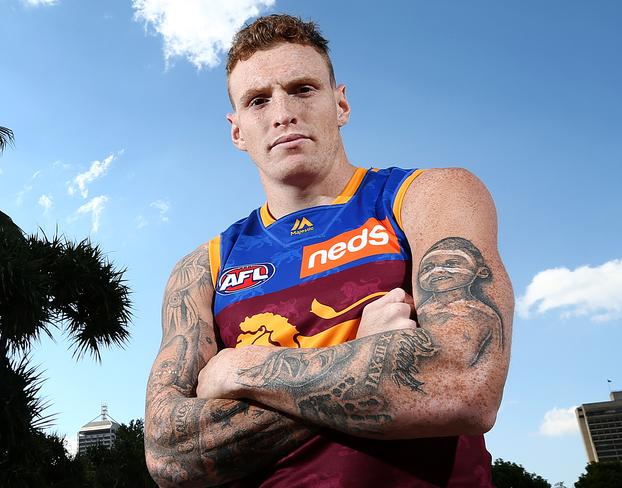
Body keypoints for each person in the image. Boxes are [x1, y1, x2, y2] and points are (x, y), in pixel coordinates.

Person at [144, 14, 513, 488]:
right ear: (237, 131)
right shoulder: (203, 268)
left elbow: (463, 382)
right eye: (258, 101)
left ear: (340, 104)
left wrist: (243, 371)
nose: (282, 113)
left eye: (302, 89)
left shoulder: (427, 196)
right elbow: (170, 451)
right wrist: (366, 350)